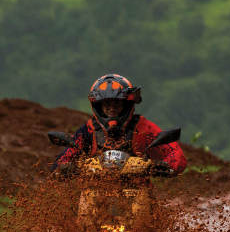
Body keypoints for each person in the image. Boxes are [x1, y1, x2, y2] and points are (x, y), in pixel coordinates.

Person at [53, 73, 186, 176]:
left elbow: (174, 152)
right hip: (93, 190)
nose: (112, 108)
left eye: (117, 103)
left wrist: (167, 166)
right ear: (98, 106)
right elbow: (67, 156)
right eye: (107, 103)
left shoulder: (143, 127)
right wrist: (64, 167)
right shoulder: (88, 130)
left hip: (138, 191)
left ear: (126, 104)